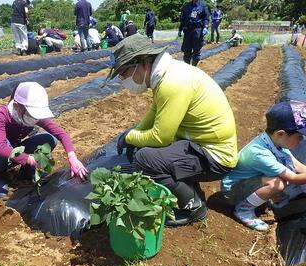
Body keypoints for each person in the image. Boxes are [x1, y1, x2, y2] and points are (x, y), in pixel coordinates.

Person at [104, 35, 238, 226]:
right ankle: (190, 189)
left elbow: (161, 137)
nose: (122, 79)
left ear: (141, 62)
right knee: (146, 150)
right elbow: (154, 111)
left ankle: (194, 207)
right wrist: (133, 133)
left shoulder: (172, 82)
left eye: (123, 73)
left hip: (215, 157)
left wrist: (132, 137)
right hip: (200, 145)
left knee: (145, 158)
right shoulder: (166, 74)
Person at [0, 82, 88, 199]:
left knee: (49, 139)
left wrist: (73, 158)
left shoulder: (33, 116)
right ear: (16, 106)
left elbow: (61, 134)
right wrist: (26, 158)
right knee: (4, 145)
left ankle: (25, 173)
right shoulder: (1, 114)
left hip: (15, 148)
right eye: (32, 115)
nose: (35, 119)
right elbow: (0, 148)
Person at [222, 101, 306, 231]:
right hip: (232, 191)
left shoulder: (277, 143)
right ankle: (243, 210)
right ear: (280, 133)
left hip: (247, 181)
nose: (301, 141)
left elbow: (298, 166)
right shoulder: (260, 154)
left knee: (279, 178)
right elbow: (294, 178)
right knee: (278, 183)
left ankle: (257, 197)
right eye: (299, 137)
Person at [178, 0, 209, 66]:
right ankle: (187, 67)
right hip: (187, 31)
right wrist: (180, 29)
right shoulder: (186, 6)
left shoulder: (203, 5)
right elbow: (183, 19)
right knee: (186, 51)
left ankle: (194, 67)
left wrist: (205, 27)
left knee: (196, 51)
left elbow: (206, 18)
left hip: (197, 30)